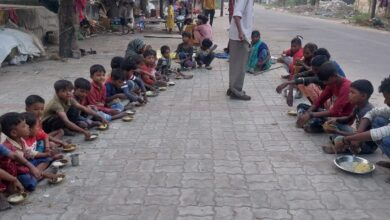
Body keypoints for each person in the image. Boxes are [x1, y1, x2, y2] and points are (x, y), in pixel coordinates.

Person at [334, 76, 390, 174]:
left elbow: (378, 133)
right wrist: (358, 134)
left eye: (387, 98)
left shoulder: (364, 108)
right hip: (366, 137)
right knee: (378, 120)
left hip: (369, 143)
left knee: (385, 140)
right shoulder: (358, 107)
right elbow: (373, 112)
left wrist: (347, 139)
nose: (385, 102)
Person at [1, 112, 58, 191]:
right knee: (29, 184)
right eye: (24, 126)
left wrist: (45, 154)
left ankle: (38, 173)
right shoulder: (9, 147)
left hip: (27, 165)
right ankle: (39, 174)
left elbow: (29, 153)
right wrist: (43, 174)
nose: (28, 126)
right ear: (14, 133)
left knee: (47, 158)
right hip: (18, 172)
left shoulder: (21, 140)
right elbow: (19, 168)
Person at [296, 62, 354, 133]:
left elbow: (334, 112)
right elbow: (319, 100)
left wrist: (311, 115)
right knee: (301, 106)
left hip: (340, 119)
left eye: (326, 81)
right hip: (330, 114)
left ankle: (319, 125)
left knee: (312, 124)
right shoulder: (332, 83)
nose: (324, 83)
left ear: (334, 76)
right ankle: (313, 123)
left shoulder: (346, 87)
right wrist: (308, 113)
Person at [322, 80, 376, 154]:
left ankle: (339, 148)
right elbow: (348, 118)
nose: (349, 94)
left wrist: (337, 131)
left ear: (363, 96)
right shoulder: (358, 106)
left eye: (352, 92)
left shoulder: (367, 111)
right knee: (335, 124)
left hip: (366, 144)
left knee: (340, 138)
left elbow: (358, 135)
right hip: (358, 134)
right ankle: (339, 142)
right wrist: (336, 120)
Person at [41, 80, 107, 140]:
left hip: (60, 120)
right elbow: (66, 121)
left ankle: (68, 128)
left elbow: (83, 108)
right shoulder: (56, 103)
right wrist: (84, 132)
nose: (68, 93)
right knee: (60, 117)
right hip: (47, 125)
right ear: (57, 92)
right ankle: (61, 130)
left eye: (69, 91)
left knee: (75, 108)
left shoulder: (69, 97)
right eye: (64, 91)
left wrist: (101, 117)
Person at [227, 0, 254, 101]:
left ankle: (232, 88)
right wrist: (241, 32)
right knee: (240, 66)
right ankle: (236, 91)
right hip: (240, 37)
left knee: (235, 65)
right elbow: (236, 15)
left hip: (238, 36)